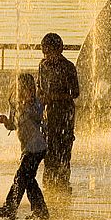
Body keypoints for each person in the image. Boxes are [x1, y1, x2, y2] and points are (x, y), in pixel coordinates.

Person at [0, 73, 49, 220]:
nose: (22, 91)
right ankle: (40, 211)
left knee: (20, 177)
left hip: (37, 147)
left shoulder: (36, 103)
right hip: (27, 148)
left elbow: (39, 117)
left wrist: (29, 104)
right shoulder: (15, 104)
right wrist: (5, 121)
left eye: (25, 88)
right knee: (28, 180)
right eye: (20, 88)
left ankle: (10, 207)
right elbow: (13, 125)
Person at [37, 33, 79, 195]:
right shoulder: (43, 65)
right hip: (49, 114)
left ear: (59, 50)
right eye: (44, 52)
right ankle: (49, 186)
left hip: (64, 114)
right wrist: (40, 97)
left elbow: (75, 92)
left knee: (63, 149)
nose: (47, 56)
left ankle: (62, 184)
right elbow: (39, 85)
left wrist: (54, 97)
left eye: (49, 52)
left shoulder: (68, 67)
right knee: (48, 150)